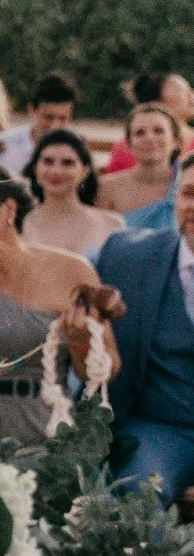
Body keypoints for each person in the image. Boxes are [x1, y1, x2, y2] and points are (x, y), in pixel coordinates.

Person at [0, 160, 119, 447]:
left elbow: (106, 370)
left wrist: (81, 342)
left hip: (48, 430)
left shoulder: (72, 271)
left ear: (9, 209)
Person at [98, 153, 194, 507]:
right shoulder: (127, 255)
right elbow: (69, 277)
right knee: (139, 490)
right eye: (189, 194)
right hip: (159, 430)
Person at [20, 128, 123, 259]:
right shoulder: (22, 224)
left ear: (85, 171)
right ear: (35, 168)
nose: (56, 171)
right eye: (48, 161)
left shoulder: (112, 224)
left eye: (68, 163)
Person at [97, 103, 184, 230]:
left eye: (159, 131)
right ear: (128, 144)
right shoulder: (107, 188)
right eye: (140, 133)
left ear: (176, 141)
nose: (149, 138)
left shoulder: (186, 186)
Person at [104, 72, 194, 174]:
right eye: (179, 89)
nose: (191, 94)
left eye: (190, 89)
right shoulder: (127, 147)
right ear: (156, 101)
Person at [0, 72, 79, 179]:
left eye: (63, 118)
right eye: (48, 117)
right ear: (31, 110)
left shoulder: (76, 150)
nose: (55, 126)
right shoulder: (3, 146)